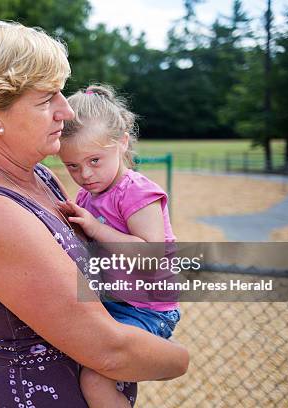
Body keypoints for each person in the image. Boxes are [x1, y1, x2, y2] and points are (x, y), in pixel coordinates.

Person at [0, 20, 188, 408]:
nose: (66, 111)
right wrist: (180, 360)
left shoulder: (39, 177)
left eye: (61, 94)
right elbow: (111, 351)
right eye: (47, 99)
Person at [57, 84, 181, 407]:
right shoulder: (88, 195)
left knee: (95, 380)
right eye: (72, 166)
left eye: (95, 160)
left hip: (147, 310)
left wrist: (96, 229)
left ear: (122, 143)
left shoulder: (136, 192)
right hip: (110, 302)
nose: (84, 174)